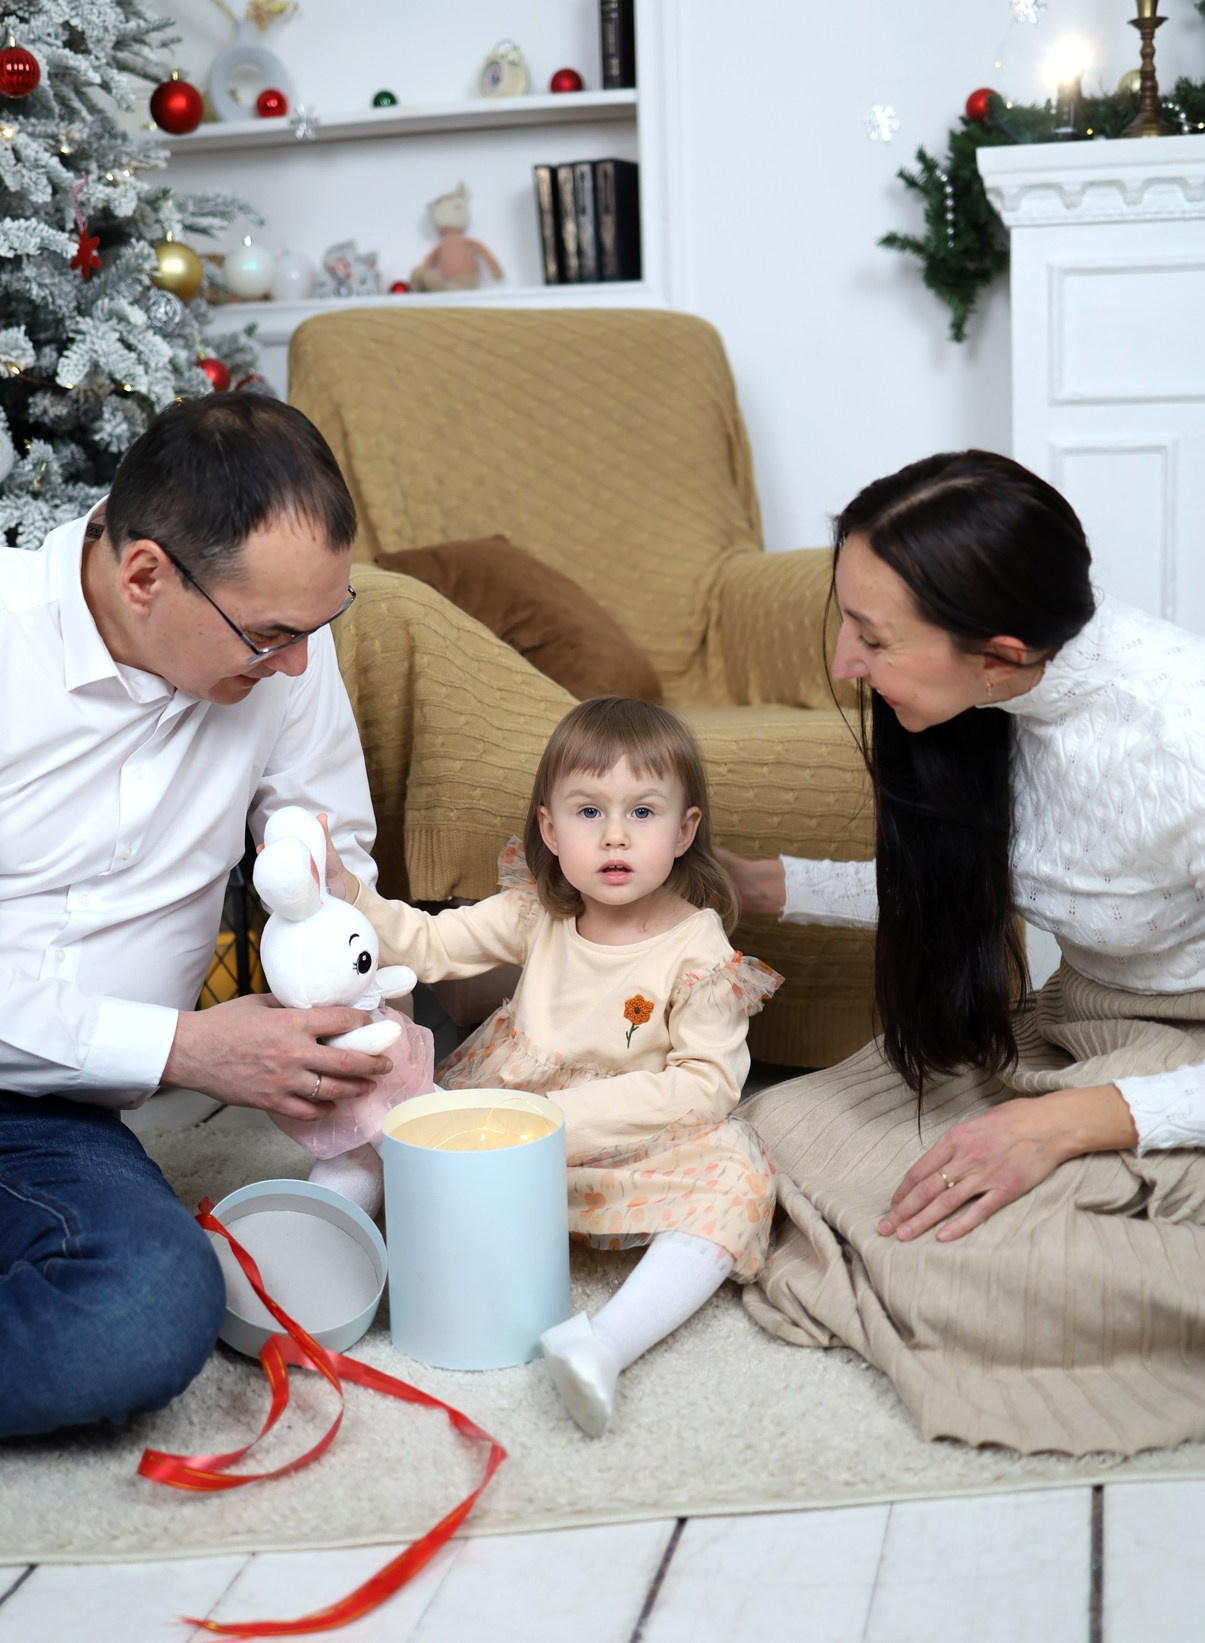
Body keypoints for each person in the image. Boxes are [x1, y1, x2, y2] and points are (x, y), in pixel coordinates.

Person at [719, 448, 1205, 1456]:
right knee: (776, 1129)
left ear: (994, 652)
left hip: (1180, 1058)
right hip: (1081, 1022)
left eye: (872, 639)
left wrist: (1069, 1124)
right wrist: (763, 883)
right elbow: (969, 877)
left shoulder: (1180, 738)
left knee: (978, 1235)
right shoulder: (992, 701)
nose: (846, 665)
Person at [0, 391, 395, 1440]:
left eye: (318, 626)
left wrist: (320, 944)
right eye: (271, 635)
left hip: (43, 1115)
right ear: (143, 578)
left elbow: (333, 841)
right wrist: (186, 1048)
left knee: (142, 1309)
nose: (300, 665)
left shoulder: (279, 655)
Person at [323, 696, 780, 1437]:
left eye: (642, 812)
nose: (613, 836)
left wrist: (562, 1120)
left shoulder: (698, 950)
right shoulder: (539, 909)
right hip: (495, 1133)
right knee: (392, 1107)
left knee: (740, 1171)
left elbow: (705, 1085)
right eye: (588, 811)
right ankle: (319, 1240)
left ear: (684, 829)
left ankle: (604, 1343)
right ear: (549, 828)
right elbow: (432, 945)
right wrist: (357, 901)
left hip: (619, 1141)